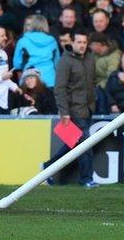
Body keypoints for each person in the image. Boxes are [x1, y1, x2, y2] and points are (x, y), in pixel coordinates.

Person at [47, 29, 97, 187]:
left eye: (84, 42)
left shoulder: (90, 58)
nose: (82, 45)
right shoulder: (65, 61)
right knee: (85, 144)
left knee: (73, 143)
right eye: (79, 42)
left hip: (87, 108)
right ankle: (86, 178)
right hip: (74, 110)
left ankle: (48, 167)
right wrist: (64, 112)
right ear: (72, 43)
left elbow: (92, 82)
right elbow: (59, 88)